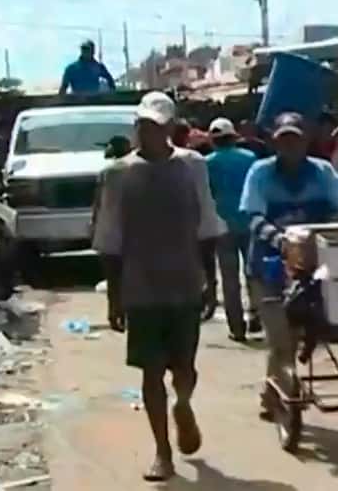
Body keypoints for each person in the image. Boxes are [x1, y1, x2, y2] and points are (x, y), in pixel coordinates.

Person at [108, 91, 224, 481]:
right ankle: (162, 451)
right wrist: (114, 295)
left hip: (185, 279)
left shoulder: (191, 166)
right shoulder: (119, 173)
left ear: (169, 129)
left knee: (185, 367)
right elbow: (110, 236)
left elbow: (206, 222)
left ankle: (184, 404)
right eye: (142, 126)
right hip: (141, 284)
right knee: (150, 370)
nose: (148, 133)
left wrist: (211, 280)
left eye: (155, 127)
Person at [239, 112, 338, 420]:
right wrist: (281, 240)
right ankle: (282, 396)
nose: (290, 146)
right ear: (274, 142)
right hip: (269, 268)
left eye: (296, 139)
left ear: (306, 141)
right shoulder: (260, 173)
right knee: (282, 339)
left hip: (313, 269)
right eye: (284, 140)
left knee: (297, 335)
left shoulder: (322, 172)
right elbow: (253, 216)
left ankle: (273, 392)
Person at [205, 118, 257, 341]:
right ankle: (257, 315)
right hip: (249, 221)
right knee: (254, 273)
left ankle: (237, 326)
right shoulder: (250, 159)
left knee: (230, 278)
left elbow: (208, 193)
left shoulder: (208, 162)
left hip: (222, 224)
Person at [172, 118, 224, 318]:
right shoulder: (197, 159)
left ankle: (199, 299)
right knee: (207, 264)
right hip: (206, 220)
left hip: (185, 223)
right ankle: (208, 298)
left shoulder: (172, 159)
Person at [91, 135, 132, 331]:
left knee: (113, 279)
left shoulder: (107, 172)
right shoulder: (138, 168)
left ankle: (115, 314)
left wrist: (93, 226)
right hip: (134, 232)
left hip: (109, 231)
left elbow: (97, 204)